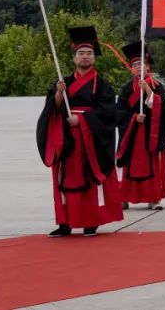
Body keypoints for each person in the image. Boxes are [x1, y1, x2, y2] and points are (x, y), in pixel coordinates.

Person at [37, 26, 124, 237]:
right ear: (74, 57)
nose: (85, 57)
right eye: (81, 53)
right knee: (64, 178)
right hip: (66, 138)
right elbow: (52, 108)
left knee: (88, 178)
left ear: (94, 57)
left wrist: (83, 119)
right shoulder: (63, 82)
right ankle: (65, 223)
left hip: (89, 140)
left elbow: (109, 112)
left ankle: (90, 221)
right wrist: (58, 95)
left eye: (89, 53)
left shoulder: (102, 84)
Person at [116, 41, 165, 211]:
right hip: (132, 133)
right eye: (135, 64)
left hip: (150, 134)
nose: (139, 67)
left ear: (148, 67)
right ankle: (124, 197)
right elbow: (120, 111)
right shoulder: (126, 88)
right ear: (131, 68)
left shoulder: (156, 86)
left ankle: (153, 198)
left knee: (152, 165)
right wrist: (133, 117)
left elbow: (163, 110)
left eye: (142, 64)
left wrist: (148, 90)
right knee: (130, 166)